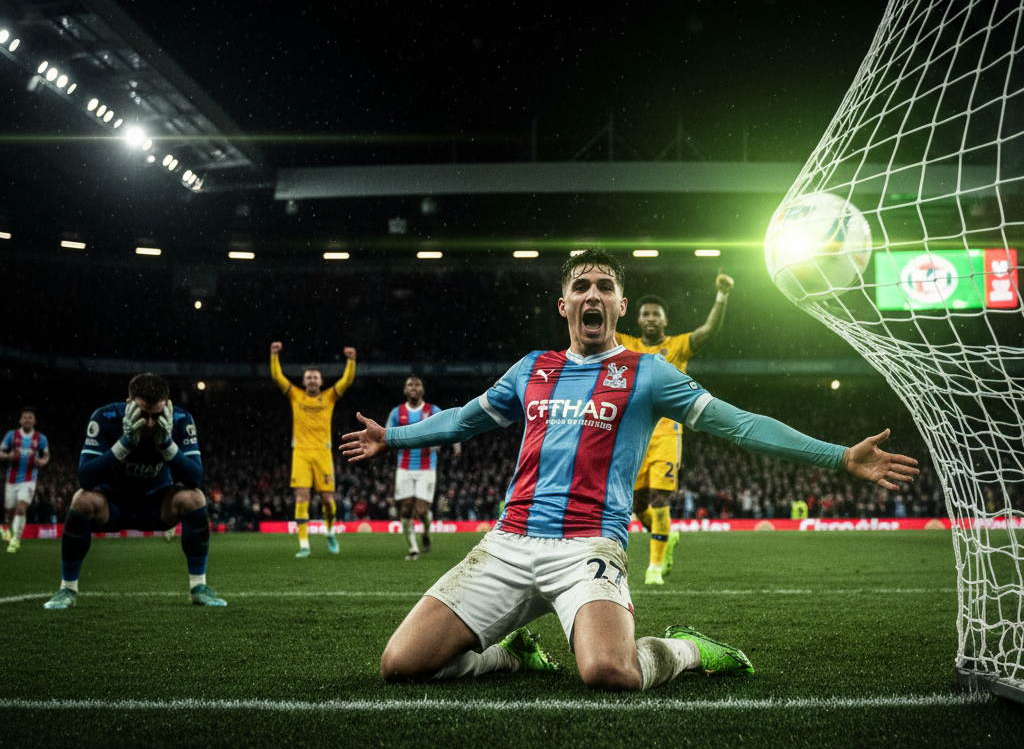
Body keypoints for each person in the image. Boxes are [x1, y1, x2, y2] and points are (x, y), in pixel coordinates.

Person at [340, 247, 919, 693]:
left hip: (588, 546)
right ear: (564, 305)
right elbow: (465, 421)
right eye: (581, 286)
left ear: (619, 306)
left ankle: (688, 649)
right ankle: (509, 654)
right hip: (508, 542)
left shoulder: (648, 373)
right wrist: (392, 437)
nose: (594, 294)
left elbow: (739, 424)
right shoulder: (532, 368)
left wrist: (838, 456)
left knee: (610, 675)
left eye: (606, 287)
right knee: (401, 666)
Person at [42, 373, 225, 609]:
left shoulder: (181, 419)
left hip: (156, 506)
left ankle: (199, 587)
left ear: (167, 407)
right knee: (81, 500)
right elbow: (85, 478)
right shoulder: (105, 417)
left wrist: (167, 445)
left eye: (156, 416)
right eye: (142, 414)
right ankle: (67, 589)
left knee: (194, 498)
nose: (149, 423)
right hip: (113, 505)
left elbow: (195, 478)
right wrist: (126, 443)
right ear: (129, 405)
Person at [616, 275, 733, 585]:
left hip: (667, 433)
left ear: (665, 319)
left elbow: (709, 331)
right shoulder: (626, 345)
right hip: (633, 435)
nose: (651, 318)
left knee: (658, 499)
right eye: (645, 314)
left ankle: (654, 567)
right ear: (638, 319)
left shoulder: (677, 346)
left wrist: (721, 295)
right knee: (638, 505)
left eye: (656, 314)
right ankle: (667, 538)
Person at [270, 341, 356, 558]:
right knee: (301, 498)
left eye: (315, 377)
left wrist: (351, 361)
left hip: (322, 453)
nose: (311, 380)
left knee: (328, 500)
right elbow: (278, 378)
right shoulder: (295, 395)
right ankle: (304, 544)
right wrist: (274, 356)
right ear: (303, 381)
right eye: (308, 377)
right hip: (300, 452)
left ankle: (329, 531)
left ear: (321, 381)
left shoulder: (328, 397)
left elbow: (346, 381)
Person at [386, 375, 460, 559]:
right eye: (409, 384)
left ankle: (426, 532)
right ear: (404, 390)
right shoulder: (397, 412)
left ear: (422, 390)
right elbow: (386, 434)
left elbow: (451, 425)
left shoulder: (432, 410)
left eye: (417, 384)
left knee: (421, 511)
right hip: (404, 468)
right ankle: (413, 549)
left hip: (427, 467)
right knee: (405, 510)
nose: (413, 387)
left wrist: (454, 444)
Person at [1, 408, 50, 553]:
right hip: (11, 479)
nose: (28, 420)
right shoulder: (12, 435)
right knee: (10, 512)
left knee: (21, 508)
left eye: (30, 418)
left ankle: (16, 540)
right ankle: (10, 533)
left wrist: (43, 461)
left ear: (34, 421)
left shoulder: (40, 438)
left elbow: (47, 455)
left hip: (29, 479)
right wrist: (7, 456)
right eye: (25, 418)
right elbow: (1, 452)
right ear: (20, 421)